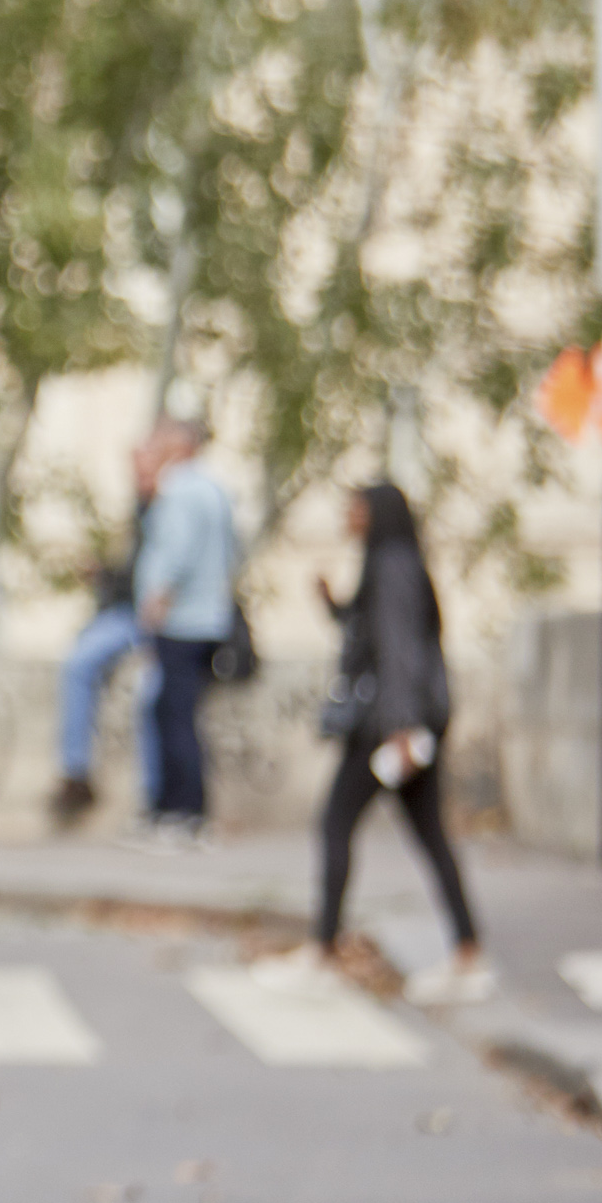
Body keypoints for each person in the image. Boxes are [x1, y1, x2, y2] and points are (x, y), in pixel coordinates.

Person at [256, 485, 489, 1003]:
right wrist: (332, 604)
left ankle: (322, 950)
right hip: (401, 724)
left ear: (377, 513)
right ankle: (468, 954)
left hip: (386, 728)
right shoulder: (390, 563)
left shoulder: (392, 564)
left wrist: (402, 729)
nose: (347, 516)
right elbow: (372, 631)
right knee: (430, 837)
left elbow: (400, 648)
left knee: (336, 823)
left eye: (355, 507)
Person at [132, 416, 239, 845]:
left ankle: (182, 812)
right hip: (209, 617)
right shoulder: (215, 489)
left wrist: (156, 601)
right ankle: (179, 810)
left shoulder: (177, 489)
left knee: (173, 717)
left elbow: (174, 553)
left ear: (180, 447)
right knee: (180, 714)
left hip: (181, 622)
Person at [50, 442, 162, 826]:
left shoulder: (177, 508)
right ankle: (76, 773)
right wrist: (104, 575)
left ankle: (154, 799)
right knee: (78, 665)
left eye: (148, 468)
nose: (142, 478)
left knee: (150, 695)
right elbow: (135, 577)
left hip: (163, 623)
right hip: (128, 614)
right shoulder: (140, 512)